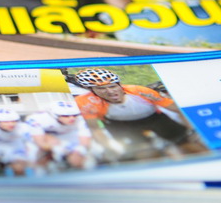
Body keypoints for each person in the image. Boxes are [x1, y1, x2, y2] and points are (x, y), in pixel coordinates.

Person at [73, 68, 205, 160]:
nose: (109, 91)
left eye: (112, 86)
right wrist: (108, 147)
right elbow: (95, 128)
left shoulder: (140, 91)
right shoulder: (85, 102)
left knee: (188, 144)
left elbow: (177, 109)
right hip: (120, 125)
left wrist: (193, 130)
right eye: (101, 88)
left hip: (155, 118)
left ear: (120, 85)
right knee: (145, 154)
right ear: (91, 90)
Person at [26, 100, 93, 171]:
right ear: (54, 115)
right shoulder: (37, 119)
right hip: (47, 136)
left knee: (78, 157)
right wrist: (53, 150)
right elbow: (41, 143)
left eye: (75, 115)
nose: (72, 118)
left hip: (69, 134)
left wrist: (78, 152)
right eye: (66, 116)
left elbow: (84, 141)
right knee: (39, 155)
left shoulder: (80, 119)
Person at [0, 107, 35, 176]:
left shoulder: (23, 127)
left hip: (15, 145)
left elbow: (29, 144)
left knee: (19, 167)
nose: (11, 124)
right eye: (6, 122)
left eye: (14, 121)